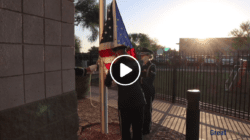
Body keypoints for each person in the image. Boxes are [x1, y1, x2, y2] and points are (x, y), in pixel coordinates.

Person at [105, 45, 147, 140]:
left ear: (117, 53)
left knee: (125, 131)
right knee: (138, 131)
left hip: (125, 103)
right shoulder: (135, 62)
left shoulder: (114, 65)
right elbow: (140, 79)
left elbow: (107, 83)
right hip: (139, 100)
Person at [139, 47, 156, 135]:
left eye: (143, 54)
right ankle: (142, 127)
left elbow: (150, 80)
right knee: (142, 110)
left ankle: (146, 129)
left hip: (148, 91)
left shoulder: (151, 66)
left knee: (147, 110)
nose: (141, 56)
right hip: (142, 90)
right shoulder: (142, 66)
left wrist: (141, 79)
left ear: (148, 56)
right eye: (141, 54)